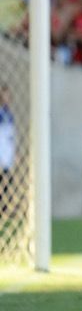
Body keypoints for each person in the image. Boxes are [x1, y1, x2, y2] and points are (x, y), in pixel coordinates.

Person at [0, 84, 15, 214]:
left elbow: (10, 134)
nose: (7, 97)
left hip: (7, 151)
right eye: (5, 94)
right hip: (1, 150)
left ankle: (5, 208)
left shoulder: (9, 114)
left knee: (7, 179)